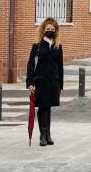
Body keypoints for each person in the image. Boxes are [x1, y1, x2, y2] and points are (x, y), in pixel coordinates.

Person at [26, 18, 65, 147]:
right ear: (43, 30)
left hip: (53, 81)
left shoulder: (57, 46)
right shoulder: (37, 46)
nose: (50, 31)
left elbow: (60, 66)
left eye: (52, 30)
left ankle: (48, 134)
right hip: (40, 81)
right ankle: (42, 135)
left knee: (48, 107)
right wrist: (30, 82)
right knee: (42, 107)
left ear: (56, 31)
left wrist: (60, 85)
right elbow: (31, 64)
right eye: (48, 29)